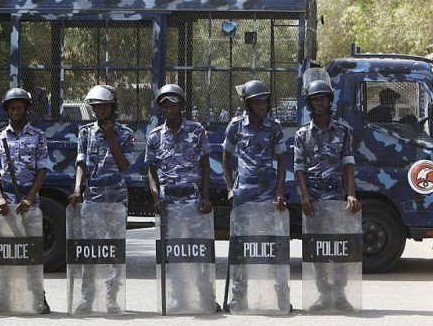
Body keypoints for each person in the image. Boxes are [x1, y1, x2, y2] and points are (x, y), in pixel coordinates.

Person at [145, 84, 217, 312]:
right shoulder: (155, 136)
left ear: (182, 106)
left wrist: (206, 196)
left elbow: (205, 165)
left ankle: (205, 297)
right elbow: (151, 170)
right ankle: (177, 297)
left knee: (199, 251)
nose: (168, 108)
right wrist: (156, 197)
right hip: (169, 204)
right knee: (173, 253)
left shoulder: (196, 131)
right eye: (164, 105)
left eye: (173, 104)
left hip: (193, 202)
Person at [222, 80, 288, 312]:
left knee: (272, 245)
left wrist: (280, 191)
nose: (262, 106)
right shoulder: (236, 126)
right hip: (245, 193)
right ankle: (239, 297)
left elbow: (282, 160)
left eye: (264, 101)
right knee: (241, 246)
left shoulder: (275, 127)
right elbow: (226, 156)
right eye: (257, 102)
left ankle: (278, 296)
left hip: (269, 191)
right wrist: (230, 187)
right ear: (248, 104)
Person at [295, 79, 361, 311]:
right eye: (315, 99)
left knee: (338, 246)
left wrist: (351, 194)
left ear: (330, 101)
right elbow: (299, 167)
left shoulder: (343, 131)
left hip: (336, 198)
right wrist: (304, 195)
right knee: (317, 248)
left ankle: (340, 294)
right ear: (309, 103)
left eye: (323, 98)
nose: (319, 102)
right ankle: (324, 294)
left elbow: (348, 163)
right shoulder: (302, 134)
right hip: (313, 200)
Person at [68, 84, 135, 314]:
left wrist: (111, 137)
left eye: (103, 106)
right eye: (95, 107)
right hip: (93, 195)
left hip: (116, 195)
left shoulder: (125, 133)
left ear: (112, 107)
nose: (99, 111)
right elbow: (81, 163)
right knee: (91, 250)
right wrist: (77, 188)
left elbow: (124, 165)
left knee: (114, 250)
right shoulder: (85, 132)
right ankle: (88, 298)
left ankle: (112, 298)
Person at [0, 87, 51, 314]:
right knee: (4, 249)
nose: (15, 111)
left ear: (26, 110)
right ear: (7, 110)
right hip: (5, 199)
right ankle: (1, 297)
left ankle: (38, 297)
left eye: (19, 107)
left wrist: (30, 199)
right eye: (12, 107)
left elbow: (43, 169)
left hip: (28, 199)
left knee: (31, 249)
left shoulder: (38, 136)